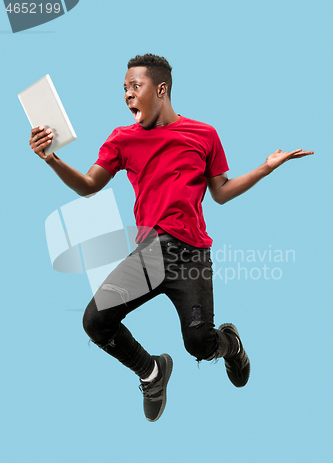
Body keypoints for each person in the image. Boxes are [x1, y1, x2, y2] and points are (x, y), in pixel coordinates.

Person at [29, 54, 314, 422]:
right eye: (125, 89)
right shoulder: (122, 139)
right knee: (95, 322)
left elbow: (222, 192)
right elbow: (88, 186)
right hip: (149, 255)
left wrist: (265, 167)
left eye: (136, 87)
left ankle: (231, 345)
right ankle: (152, 372)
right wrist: (51, 159)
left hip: (191, 256)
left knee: (199, 344)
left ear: (160, 89)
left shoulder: (204, 135)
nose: (128, 96)